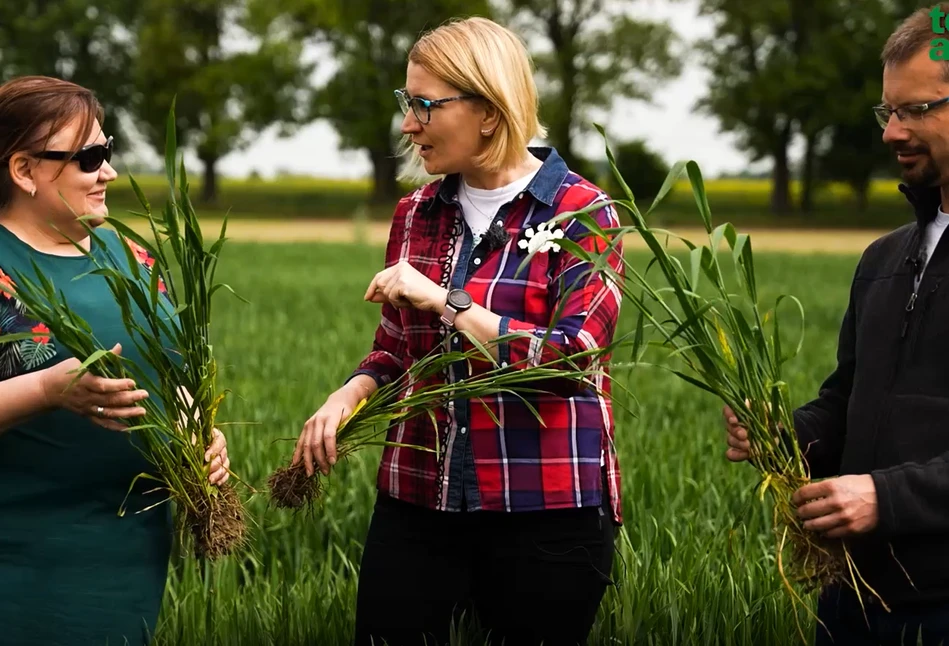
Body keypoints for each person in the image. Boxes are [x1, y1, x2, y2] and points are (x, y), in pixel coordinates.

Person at [291, 17, 624, 646]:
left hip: (547, 513)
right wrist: (345, 397)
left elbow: (573, 361)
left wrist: (448, 301)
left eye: (424, 104)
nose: (408, 123)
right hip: (417, 502)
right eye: (405, 102)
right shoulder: (415, 214)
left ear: (490, 112)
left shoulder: (584, 213)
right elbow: (395, 352)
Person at [724, 4, 949, 643]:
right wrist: (783, 435)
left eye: (915, 110)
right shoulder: (883, 259)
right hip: (851, 597)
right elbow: (847, 401)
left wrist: (885, 498)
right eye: (888, 111)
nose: (891, 132)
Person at [0, 75, 231, 645]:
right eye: (89, 157)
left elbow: (175, 375)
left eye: (109, 150)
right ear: (23, 170)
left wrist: (201, 432)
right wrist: (48, 392)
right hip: (24, 557)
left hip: (131, 552)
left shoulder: (133, 256)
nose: (108, 171)